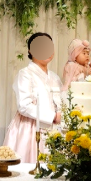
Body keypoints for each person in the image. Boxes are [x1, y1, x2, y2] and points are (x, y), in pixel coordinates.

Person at [4, 32, 62, 163]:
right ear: (31, 51)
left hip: (53, 130)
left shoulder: (55, 77)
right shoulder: (25, 74)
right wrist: (53, 116)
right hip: (30, 128)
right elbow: (24, 105)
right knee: (30, 167)